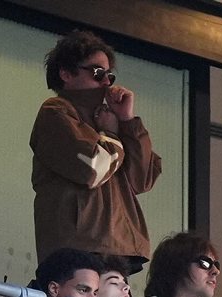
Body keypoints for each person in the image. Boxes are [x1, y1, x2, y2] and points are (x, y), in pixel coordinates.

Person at [31, 30, 161, 272]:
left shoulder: (110, 119)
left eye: (109, 75)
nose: (106, 82)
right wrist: (111, 134)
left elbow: (142, 180)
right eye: (98, 73)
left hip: (117, 249)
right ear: (66, 73)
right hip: (77, 249)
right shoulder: (55, 112)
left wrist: (127, 121)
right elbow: (92, 168)